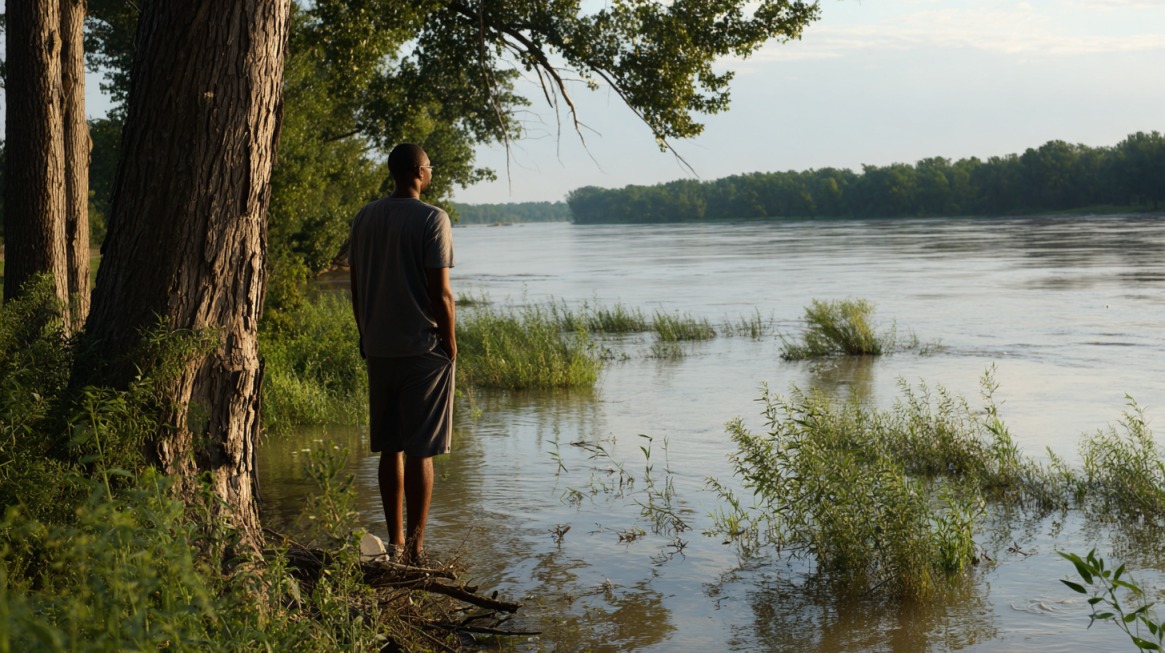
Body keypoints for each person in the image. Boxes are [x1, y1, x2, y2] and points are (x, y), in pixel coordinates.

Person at [348, 143, 456, 566]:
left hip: (379, 346)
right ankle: (415, 548)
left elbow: (357, 287)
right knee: (420, 449)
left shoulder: (365, 217)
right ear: (417, 171)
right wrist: (450, 343)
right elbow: (441, 292)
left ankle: (393, 546)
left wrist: (365, 333)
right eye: (430, 166)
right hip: (423, 347)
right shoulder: (433, 218)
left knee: (390, 446)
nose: (431, 172)